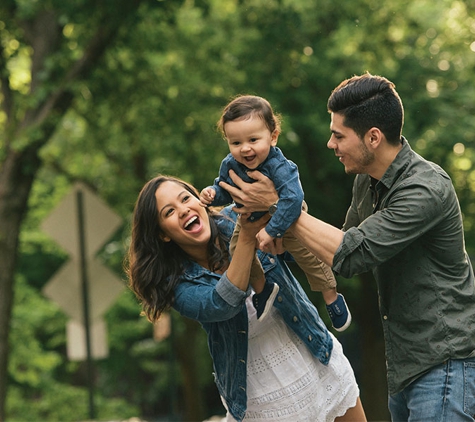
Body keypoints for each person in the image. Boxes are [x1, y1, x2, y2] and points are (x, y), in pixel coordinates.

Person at [218, 73, 475, 421]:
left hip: (445, 363)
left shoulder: (424, 188)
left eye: (339, 135)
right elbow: (337, 252)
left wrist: (280, 203)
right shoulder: (367, 184)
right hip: (405, 365)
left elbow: (354, 252)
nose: (330, 144)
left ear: (373, 137)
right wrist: (285, 244)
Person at [126, 174, 366, 422]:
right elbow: (223, 303)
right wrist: (248, 236)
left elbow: (294, 216)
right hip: (260, 396)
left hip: (316, 353)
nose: (184, 210)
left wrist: (282, 230)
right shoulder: (179, 286)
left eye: (186, 198)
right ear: (163, 234)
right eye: (169, 212)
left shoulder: (237, 215)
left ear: (201, 201)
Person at [200, 94, 351, 330]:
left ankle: (331, 296)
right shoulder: (230, 164)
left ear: (273, 136)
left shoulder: (279, 166)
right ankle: (262, 288)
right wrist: (211, 193)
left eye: (253, 139)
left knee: (309, 254)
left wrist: (273, 230)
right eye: (236, 143)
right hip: (251, 219)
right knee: (236, 250)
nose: (245, 149)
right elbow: (224, 187)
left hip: (287, 216)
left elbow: (293, 199)